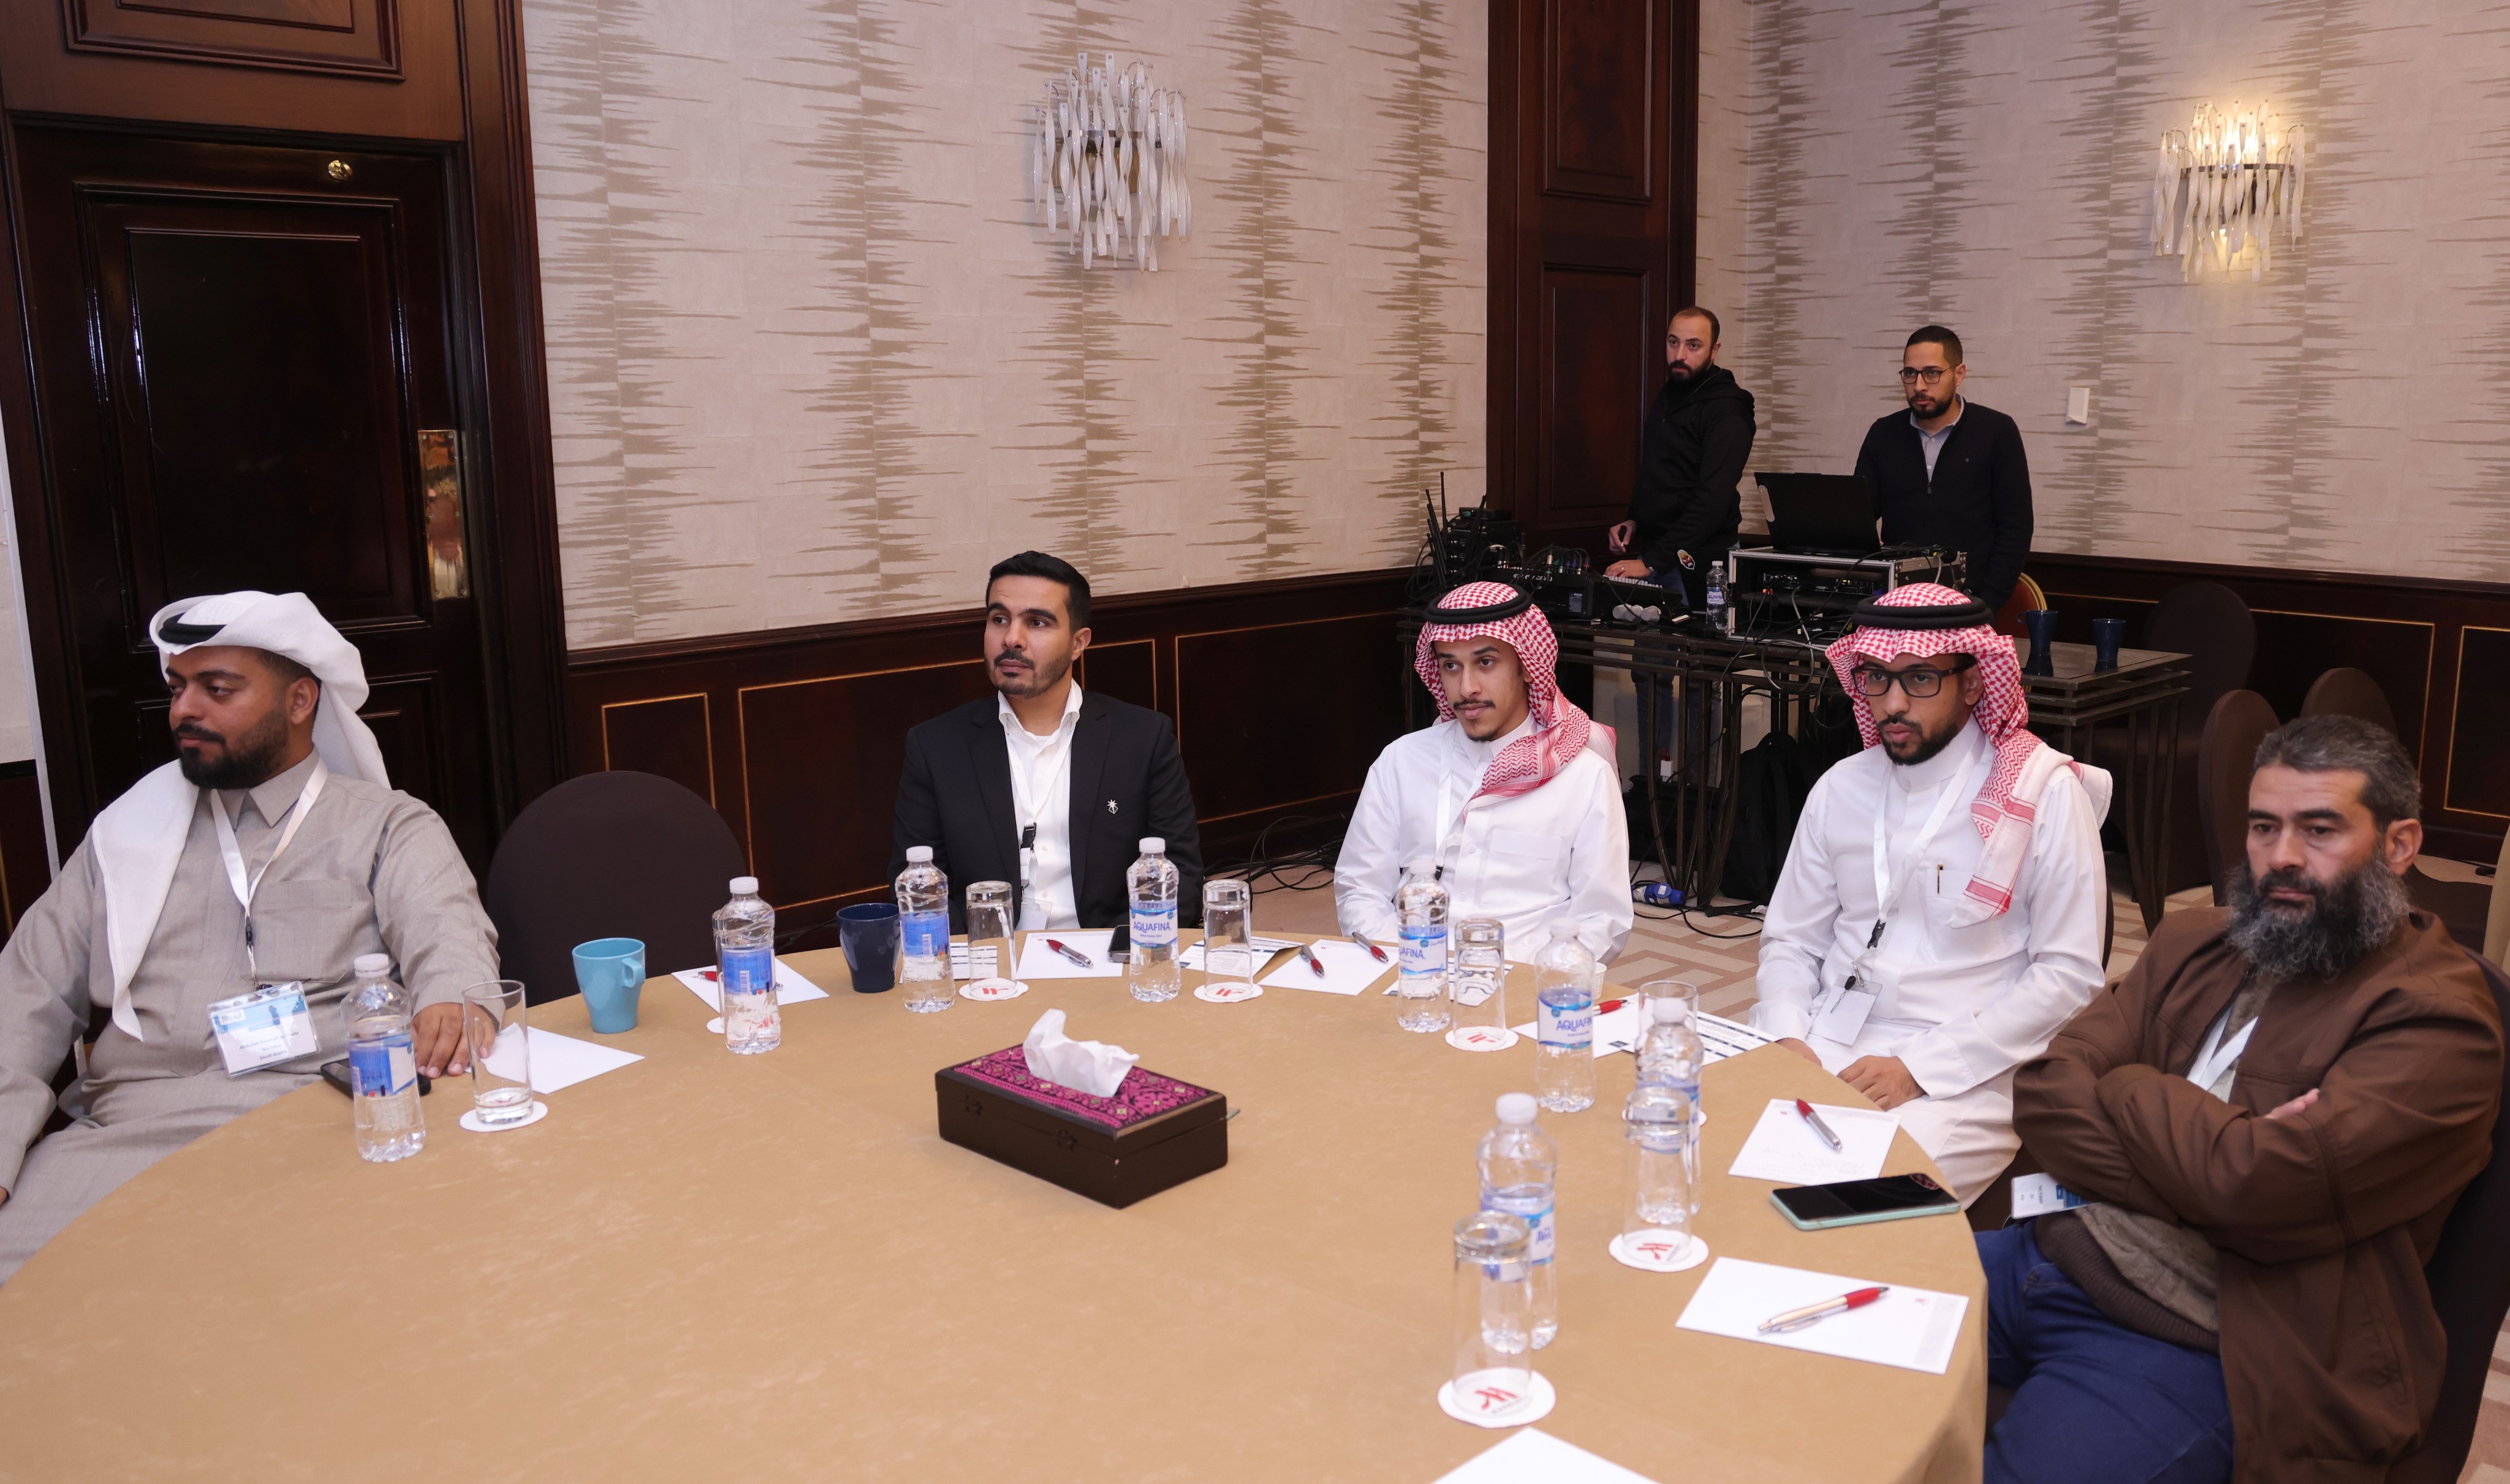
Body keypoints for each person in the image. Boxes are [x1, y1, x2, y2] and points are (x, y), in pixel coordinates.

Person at [1988, 716, 2502, 1484]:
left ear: (2399, 845)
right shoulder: (2195, 940)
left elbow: (2256, 1185)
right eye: (2264, 827)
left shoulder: (2439, 1020)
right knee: (1806, 1345)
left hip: (2207, 1337)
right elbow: (2044, 1089)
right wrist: (2209, 1175)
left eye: (2319, 829)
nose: (2281, 857)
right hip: (2044, 1253)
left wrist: (2128, 1084)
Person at [0, 591, 499, 1283]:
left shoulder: (384, 825)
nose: (185, 710)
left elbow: (448, 933)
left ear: (299, 701)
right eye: (178, 687)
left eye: (217, 689)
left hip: (313, 1119)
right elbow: (24, 995)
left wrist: (451, 999)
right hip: (126, 1135)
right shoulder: (124, 837)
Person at [1752, 583, 2107, 1203]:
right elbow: (1791, 940)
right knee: (1707, 1147)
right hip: (1821, 1036)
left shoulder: (2044, 795)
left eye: (1919, 679)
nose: (1892, 704)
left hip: (1966, 1066)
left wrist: (1918, 1069)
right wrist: (1787, 1036)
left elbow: (2067, 977)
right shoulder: (1840, 787)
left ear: (1972, 682)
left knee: (1850, 1203)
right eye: (1876, 678)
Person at [891, 551, 1202, 933]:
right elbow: (917, 890)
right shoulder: (936, 746)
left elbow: (1180, 877)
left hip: (1107, 951)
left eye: (1036, 622)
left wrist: (1118, 951)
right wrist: (985, 956)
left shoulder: (1143, 738)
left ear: (1078, 643)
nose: (1012, 638)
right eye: (999, 619)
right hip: (990, 956)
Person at [1337, 581, 1630, 963]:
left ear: (1528, 666)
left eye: (1486, 662)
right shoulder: (1402, 761)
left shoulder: (1585, 777)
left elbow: (1602, 919)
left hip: (1527, 979)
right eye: (1451, 666)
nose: (1466, 688)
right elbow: (1360, 889)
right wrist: (1403, 960)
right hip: (1411, 971)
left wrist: (1539, 979)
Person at [1853, 326, 2032, 615]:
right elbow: (1858, 517)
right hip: (1897, 604)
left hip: (1971, 604)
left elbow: (2016, 527)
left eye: (1932, 373)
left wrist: (1987, 604)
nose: (1919, 386)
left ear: (1959, 374)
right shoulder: (1883, 434)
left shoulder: (1997, 432)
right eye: (1910, 373)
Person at [1604, 306, 1756, 607]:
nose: (1680, 355)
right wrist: (1635, 519)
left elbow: (1711, 502)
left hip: (1701, 561)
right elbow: (1661, 469)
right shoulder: (1671, 392)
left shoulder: (1728, 411)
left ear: (1714, 351)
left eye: (1693, 345)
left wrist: (1652, 563)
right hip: (1657, 552)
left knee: (1688, 638)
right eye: (1673, 342)